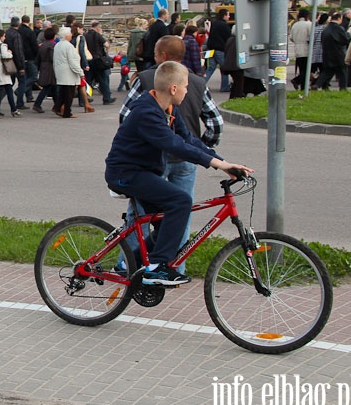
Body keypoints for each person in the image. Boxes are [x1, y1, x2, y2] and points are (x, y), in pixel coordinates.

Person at [105, 61, 251, 285]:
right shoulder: (147, 112)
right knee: (181, 200)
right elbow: (175, 145)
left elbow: (189, 139)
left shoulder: (169, 110)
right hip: (125, 174)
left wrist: (224, 163)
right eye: (185, 87)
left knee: (167, 223)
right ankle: (157, 267)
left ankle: (131, 264)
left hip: (144, 173)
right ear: (173, 88)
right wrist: (218, 165)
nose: (187, 91)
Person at [119, 36, 223, 274]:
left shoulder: (146, 78)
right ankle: (169, 266)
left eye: (155, 53)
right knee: (178, 214)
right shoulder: (198, 82)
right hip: (182, 161)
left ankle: (135, 266)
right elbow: (215, 124)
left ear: (162, 55)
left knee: (144, 218)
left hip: (156, 159)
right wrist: (206, 152)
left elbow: (125, 116)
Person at [53, 26, 85, 118]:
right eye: (70, 33)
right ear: (67, 35)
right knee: (69, 95)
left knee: (62, 93)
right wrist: (80, 73)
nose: (71, 35)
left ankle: (57, 107)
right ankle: (67, 112)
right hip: (68, 73)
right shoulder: (69, 46)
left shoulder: (58, 45)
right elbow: (73, 61)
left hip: (60, 72)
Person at [315, 12, 350, 91]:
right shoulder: (339, 29)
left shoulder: (326, 29)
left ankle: (317, 84)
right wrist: (348, 34)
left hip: (327, 53)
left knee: (328, 71)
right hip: (338, 54)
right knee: (342, 71)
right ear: (339, 19)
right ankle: (343, 88)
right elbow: (345, 40)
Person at [84, 20, 115, 105]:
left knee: (88, 80)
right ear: (97, 27)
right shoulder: (97, 35)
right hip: (98, 59)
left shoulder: (85, 35)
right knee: (102, 79)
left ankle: (85, 98)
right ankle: (106, 98)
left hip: (88, 59)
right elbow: (106, 45)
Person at [204, 8, 232, 92]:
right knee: (224, 69)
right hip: (220, 49)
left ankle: (201, 84)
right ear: (224, 16)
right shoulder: (224, 25)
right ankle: (224, 87)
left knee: (211, 68)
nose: (229, 16)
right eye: (228, 15)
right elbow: (228, 37)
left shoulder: (214, 23)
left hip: (211, 49)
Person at [32, 25, 58, 113]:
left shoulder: (43, 45)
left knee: (53, 87)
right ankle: (37, 104)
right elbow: (52, 58)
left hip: (44, 66)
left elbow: (38, 58)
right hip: (50, 68)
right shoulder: (52, 45)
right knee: (48, 86)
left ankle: (57, 105)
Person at [4, 16, 27, 109]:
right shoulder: (16, 35)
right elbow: (18, 51)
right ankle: (20, 102)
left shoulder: (7, 33)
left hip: (9, 61)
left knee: (9, 83)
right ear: (19, 24)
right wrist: (21, 66)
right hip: (16, 63)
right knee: (22, 82)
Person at [289, 9, 312, 90]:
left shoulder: (295, 25)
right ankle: (297, 80)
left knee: (301, 68)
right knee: (307, 70)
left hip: (297, 49)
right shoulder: (309, 24)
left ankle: (303, 87)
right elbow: (311, 37)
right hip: (307, 49)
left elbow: (291, 38)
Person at [18, 14, 38, 106]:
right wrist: (36, 54)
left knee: (26, 76)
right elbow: (34, 44)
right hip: (29, 56)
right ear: (29, 21)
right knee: (33, 76)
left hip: (21, 56)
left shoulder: (18, 31)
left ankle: (29, 96)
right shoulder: (29, 31)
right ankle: (20, 91)